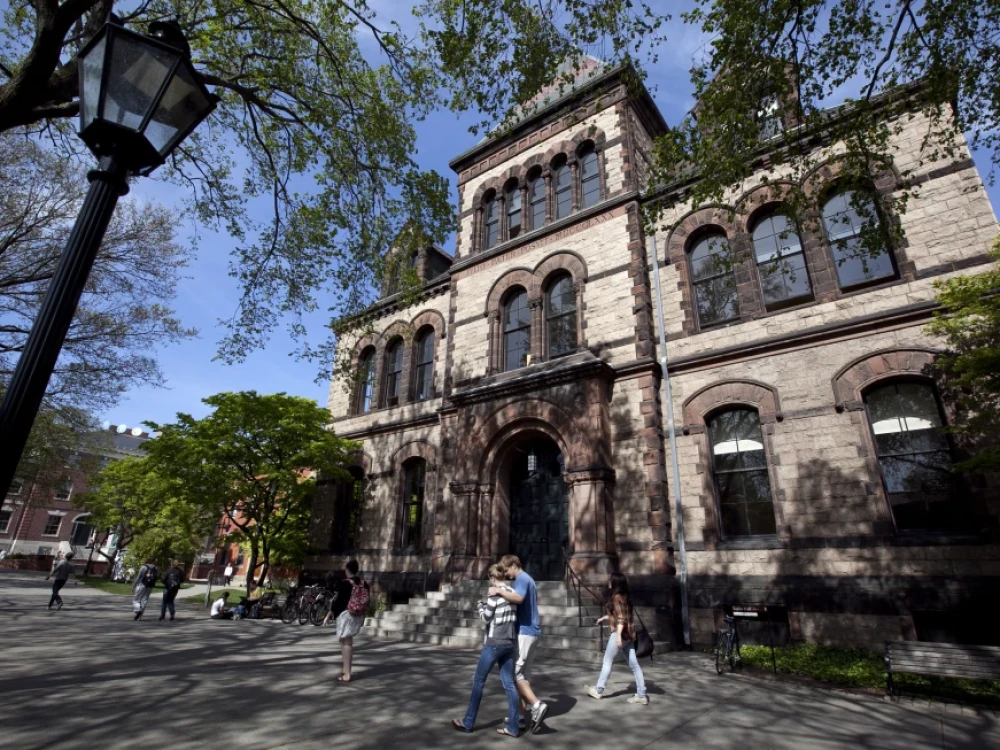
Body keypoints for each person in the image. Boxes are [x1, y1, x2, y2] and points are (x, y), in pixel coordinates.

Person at [451, 564, 520, 737]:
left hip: (495, 642)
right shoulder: (512, 593)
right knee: (510, 684)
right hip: (510, 642)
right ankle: (513, 726)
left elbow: (485, 618)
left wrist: (480, 606)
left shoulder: (494, 593)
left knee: (478, 681)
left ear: (491, 577)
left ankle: (468, 722)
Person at [489, 554, 548, 734]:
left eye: (507, 570)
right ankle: (520, 717)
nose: (506, 574)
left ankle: (537, 705)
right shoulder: (527, 579)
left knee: (515, 676)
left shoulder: (522, 579)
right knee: (523, 677)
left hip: (525, 631)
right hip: (532, 632)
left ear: (514, 565)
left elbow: (519, 599)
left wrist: (499, 591)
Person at [585, 573, 648, 705]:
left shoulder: (616, 597)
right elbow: (621, 615)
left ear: (615, 583)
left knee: (607, 661)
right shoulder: (626, 597)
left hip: (620, 634)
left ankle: (598, 689)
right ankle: (641, 694)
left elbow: (621, 619)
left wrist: (618, 636)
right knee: (634, 665)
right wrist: (605, 618)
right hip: (629, 635)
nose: (608, 581)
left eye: (610, 580)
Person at [332, 559, 368, 682]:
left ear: (347, 570)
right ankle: (346, 670)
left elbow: (339, 602)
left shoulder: (346, 583)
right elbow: (367, 600)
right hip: (358, 615)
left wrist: (331, 613)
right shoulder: (364, 583)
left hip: (346, 615)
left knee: (346, 643)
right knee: (347, 642)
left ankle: (347, 673)